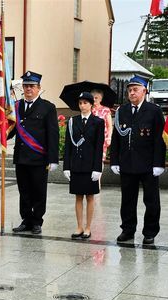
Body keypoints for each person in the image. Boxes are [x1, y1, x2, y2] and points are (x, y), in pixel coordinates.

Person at [110, 76, 166, 245]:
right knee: (127, 200)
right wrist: (114, 161)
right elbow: (116, 138)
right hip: (127, 163)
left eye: (135, 89)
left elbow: (159, 139)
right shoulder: (122, 111)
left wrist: (159, 163)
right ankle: (128, 229)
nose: (132, 92)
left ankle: (150, 231)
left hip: (148, 164)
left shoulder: (154, 111)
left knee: (151, 201)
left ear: (144, 91)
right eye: (130, 90)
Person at [9, 71, 59, 235]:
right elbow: (12, 130)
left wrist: (53, 159)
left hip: (38, 158)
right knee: (24, 191)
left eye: (32, 86)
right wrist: (3, 130)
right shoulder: (16, 106)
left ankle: (37, 221)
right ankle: (26, 219)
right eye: (26, 86)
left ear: (39, 88)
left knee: (38, 190)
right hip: (21, 157)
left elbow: (53, 134)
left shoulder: (48, 107)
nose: (28, 89)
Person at [63, 92, 104, 239]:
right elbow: (68, 145)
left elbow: (99, 147)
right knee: (78, 197)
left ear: (91, 105)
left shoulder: (98, 122)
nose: (82, 106)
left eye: (85, 103)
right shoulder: (73, 121)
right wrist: (66, 166)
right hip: (76, 165)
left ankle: (88, 227)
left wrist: (97, 168)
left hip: (90, 165)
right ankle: (79, 226)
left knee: (90, 197)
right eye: (80, 103)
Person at [91, 88, 113, 161]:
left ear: (101, 99)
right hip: (90, 138)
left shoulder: (106, 110)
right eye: (92, 97)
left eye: (96, 98)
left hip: (102, 139)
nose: (94, 99)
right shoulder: (89, 109)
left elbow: (109, 126)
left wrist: (109, 138)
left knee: (100, 160)